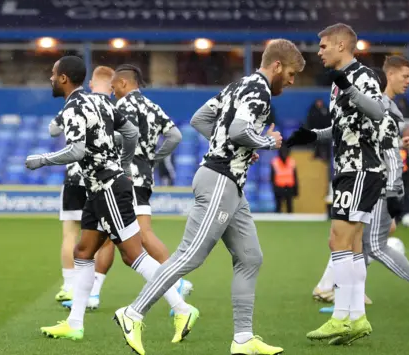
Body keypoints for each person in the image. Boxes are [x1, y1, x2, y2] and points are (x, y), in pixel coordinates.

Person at [114, 39, 304, 355]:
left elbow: (200, 119)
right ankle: (132, 314)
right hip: (220, 181)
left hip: (230, 182)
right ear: (277, 66)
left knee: (250, 257)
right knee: (191, 255)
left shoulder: (237, 86)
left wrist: (236, 148)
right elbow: (240, 130)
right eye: (293, 73)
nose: (293, 81)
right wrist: (266, 142)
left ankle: (243, 339)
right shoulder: (260, 91)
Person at [25, 56, 195, 342]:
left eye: (53, 75)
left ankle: (182, 308)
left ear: (64, 78)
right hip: (100, 188)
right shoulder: (101, 101)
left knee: (134, 255)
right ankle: (75, 323)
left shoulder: (75, 107)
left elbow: (76, 150)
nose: (51, 79)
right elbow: (130, 132)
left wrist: (42, 159)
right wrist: (124, 162)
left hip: (108, 188)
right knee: (83, 252)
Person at [313, 56, 409, 317]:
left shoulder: (387, 108)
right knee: (354, 241)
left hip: (379, 183)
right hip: (368, 180)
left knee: (372, 245)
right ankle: (346, 301)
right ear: (390, 75)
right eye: (405, 76)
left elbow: (387, 151)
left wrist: (394, 189)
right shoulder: (378, 103)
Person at [59, 64, 192, 313]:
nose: (112, 91)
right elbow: (175, 136)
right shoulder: (153, 107)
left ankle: (176, 283)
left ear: (122, 84)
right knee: (111, 238)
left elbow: (115, 138)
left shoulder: (118, 107)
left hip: (123, 178)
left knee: (138, 236)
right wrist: (153, 159)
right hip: (144, 177)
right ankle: (93, 294)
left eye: (114, 87)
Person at [287, 23, 387, 345]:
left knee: (337, 239)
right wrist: (313, 136)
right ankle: (356, 317)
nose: (319, 52)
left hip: (360, 168)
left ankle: (340, 317)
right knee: (352, 243)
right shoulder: (338, 84)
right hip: (350, 168)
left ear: (342, 46)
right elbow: (343, 128)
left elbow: (378, 112)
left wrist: (349, 88)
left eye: (324, 46)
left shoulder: (362, 77)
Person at [48, 65, 117, 306]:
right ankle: (92, 291)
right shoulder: (110, 107)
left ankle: (69, 285)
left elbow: (52, 129)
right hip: (98, 179)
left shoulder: (77, 104)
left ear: (91, 84)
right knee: (101, 238)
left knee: (70, 234)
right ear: (113, 86)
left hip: (74, 176)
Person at [270, 144, 298, 213]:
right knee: (278, 206)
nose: (284, 153)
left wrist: (296, 189)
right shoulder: (275, 162)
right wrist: (274, 188)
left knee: (289, 206)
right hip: (279, 187)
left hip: (289, 187)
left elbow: (295, 176)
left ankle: (291, 221)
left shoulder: (291, 161)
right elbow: (272, 176)